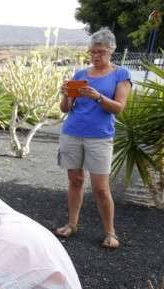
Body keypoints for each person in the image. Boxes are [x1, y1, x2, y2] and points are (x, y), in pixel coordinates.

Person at [55, 28, 132, 249]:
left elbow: (118, 108)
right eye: (92, 52)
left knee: (100, 188)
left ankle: (110, 232)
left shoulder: (121, 74)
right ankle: (72, 224)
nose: (96, 56)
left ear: (111, 50)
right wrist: (66, 94)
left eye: (100, 51)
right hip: (72, 132)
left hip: (99, 137)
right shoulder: (80, 75)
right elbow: (65, 109)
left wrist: (98, 97)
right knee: (75, 181)